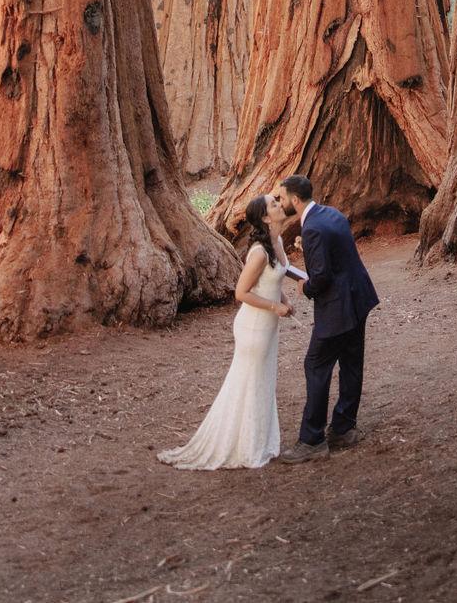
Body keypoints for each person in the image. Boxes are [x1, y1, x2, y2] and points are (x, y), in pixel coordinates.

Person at [158, 193, 294, 469]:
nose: (280, 203)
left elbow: (274, 280)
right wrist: (273, 306)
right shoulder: (258, 253)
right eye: (274, 203)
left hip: (269, 325)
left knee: (263, 381)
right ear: (265, 217)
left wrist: (285, 302)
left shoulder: (277, 241)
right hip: (253, 326)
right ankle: (245, 446)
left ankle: (259, 440)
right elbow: (241, 293)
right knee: (249, 383)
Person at [277, 173, 379, 463]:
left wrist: (304, 287)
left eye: (282, 198)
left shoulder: (312, 229)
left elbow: (320, 277)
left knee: (316, 365)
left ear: (295, 200)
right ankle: (344, 429)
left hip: (338, 307)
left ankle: (312, 440)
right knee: (351, 363)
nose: (280, 202)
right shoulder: (329, 214)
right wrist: (306, 249)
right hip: (359, 297)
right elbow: (335, 254)